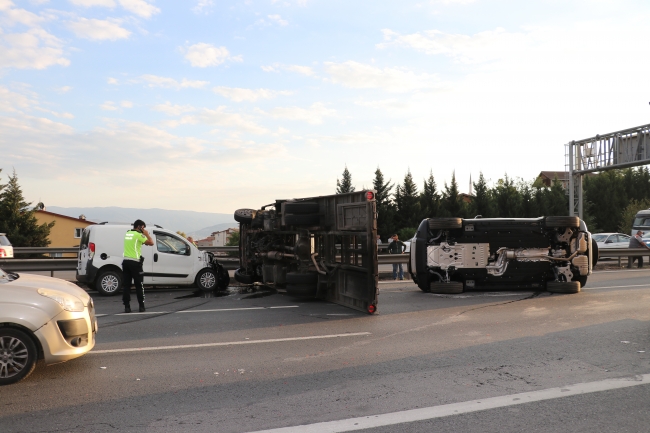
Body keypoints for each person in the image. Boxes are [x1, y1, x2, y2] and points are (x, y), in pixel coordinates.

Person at [122, 219, 154, 313]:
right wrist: (147, 234)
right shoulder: (138, 235)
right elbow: (151, 242)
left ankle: (127, 307)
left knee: (126, 286)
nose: (144, 229)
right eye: (143, 227)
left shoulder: (128, 233)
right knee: (139, 285)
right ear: (140, 226)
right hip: (135, 263)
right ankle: (141, 306)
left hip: (126, 262)